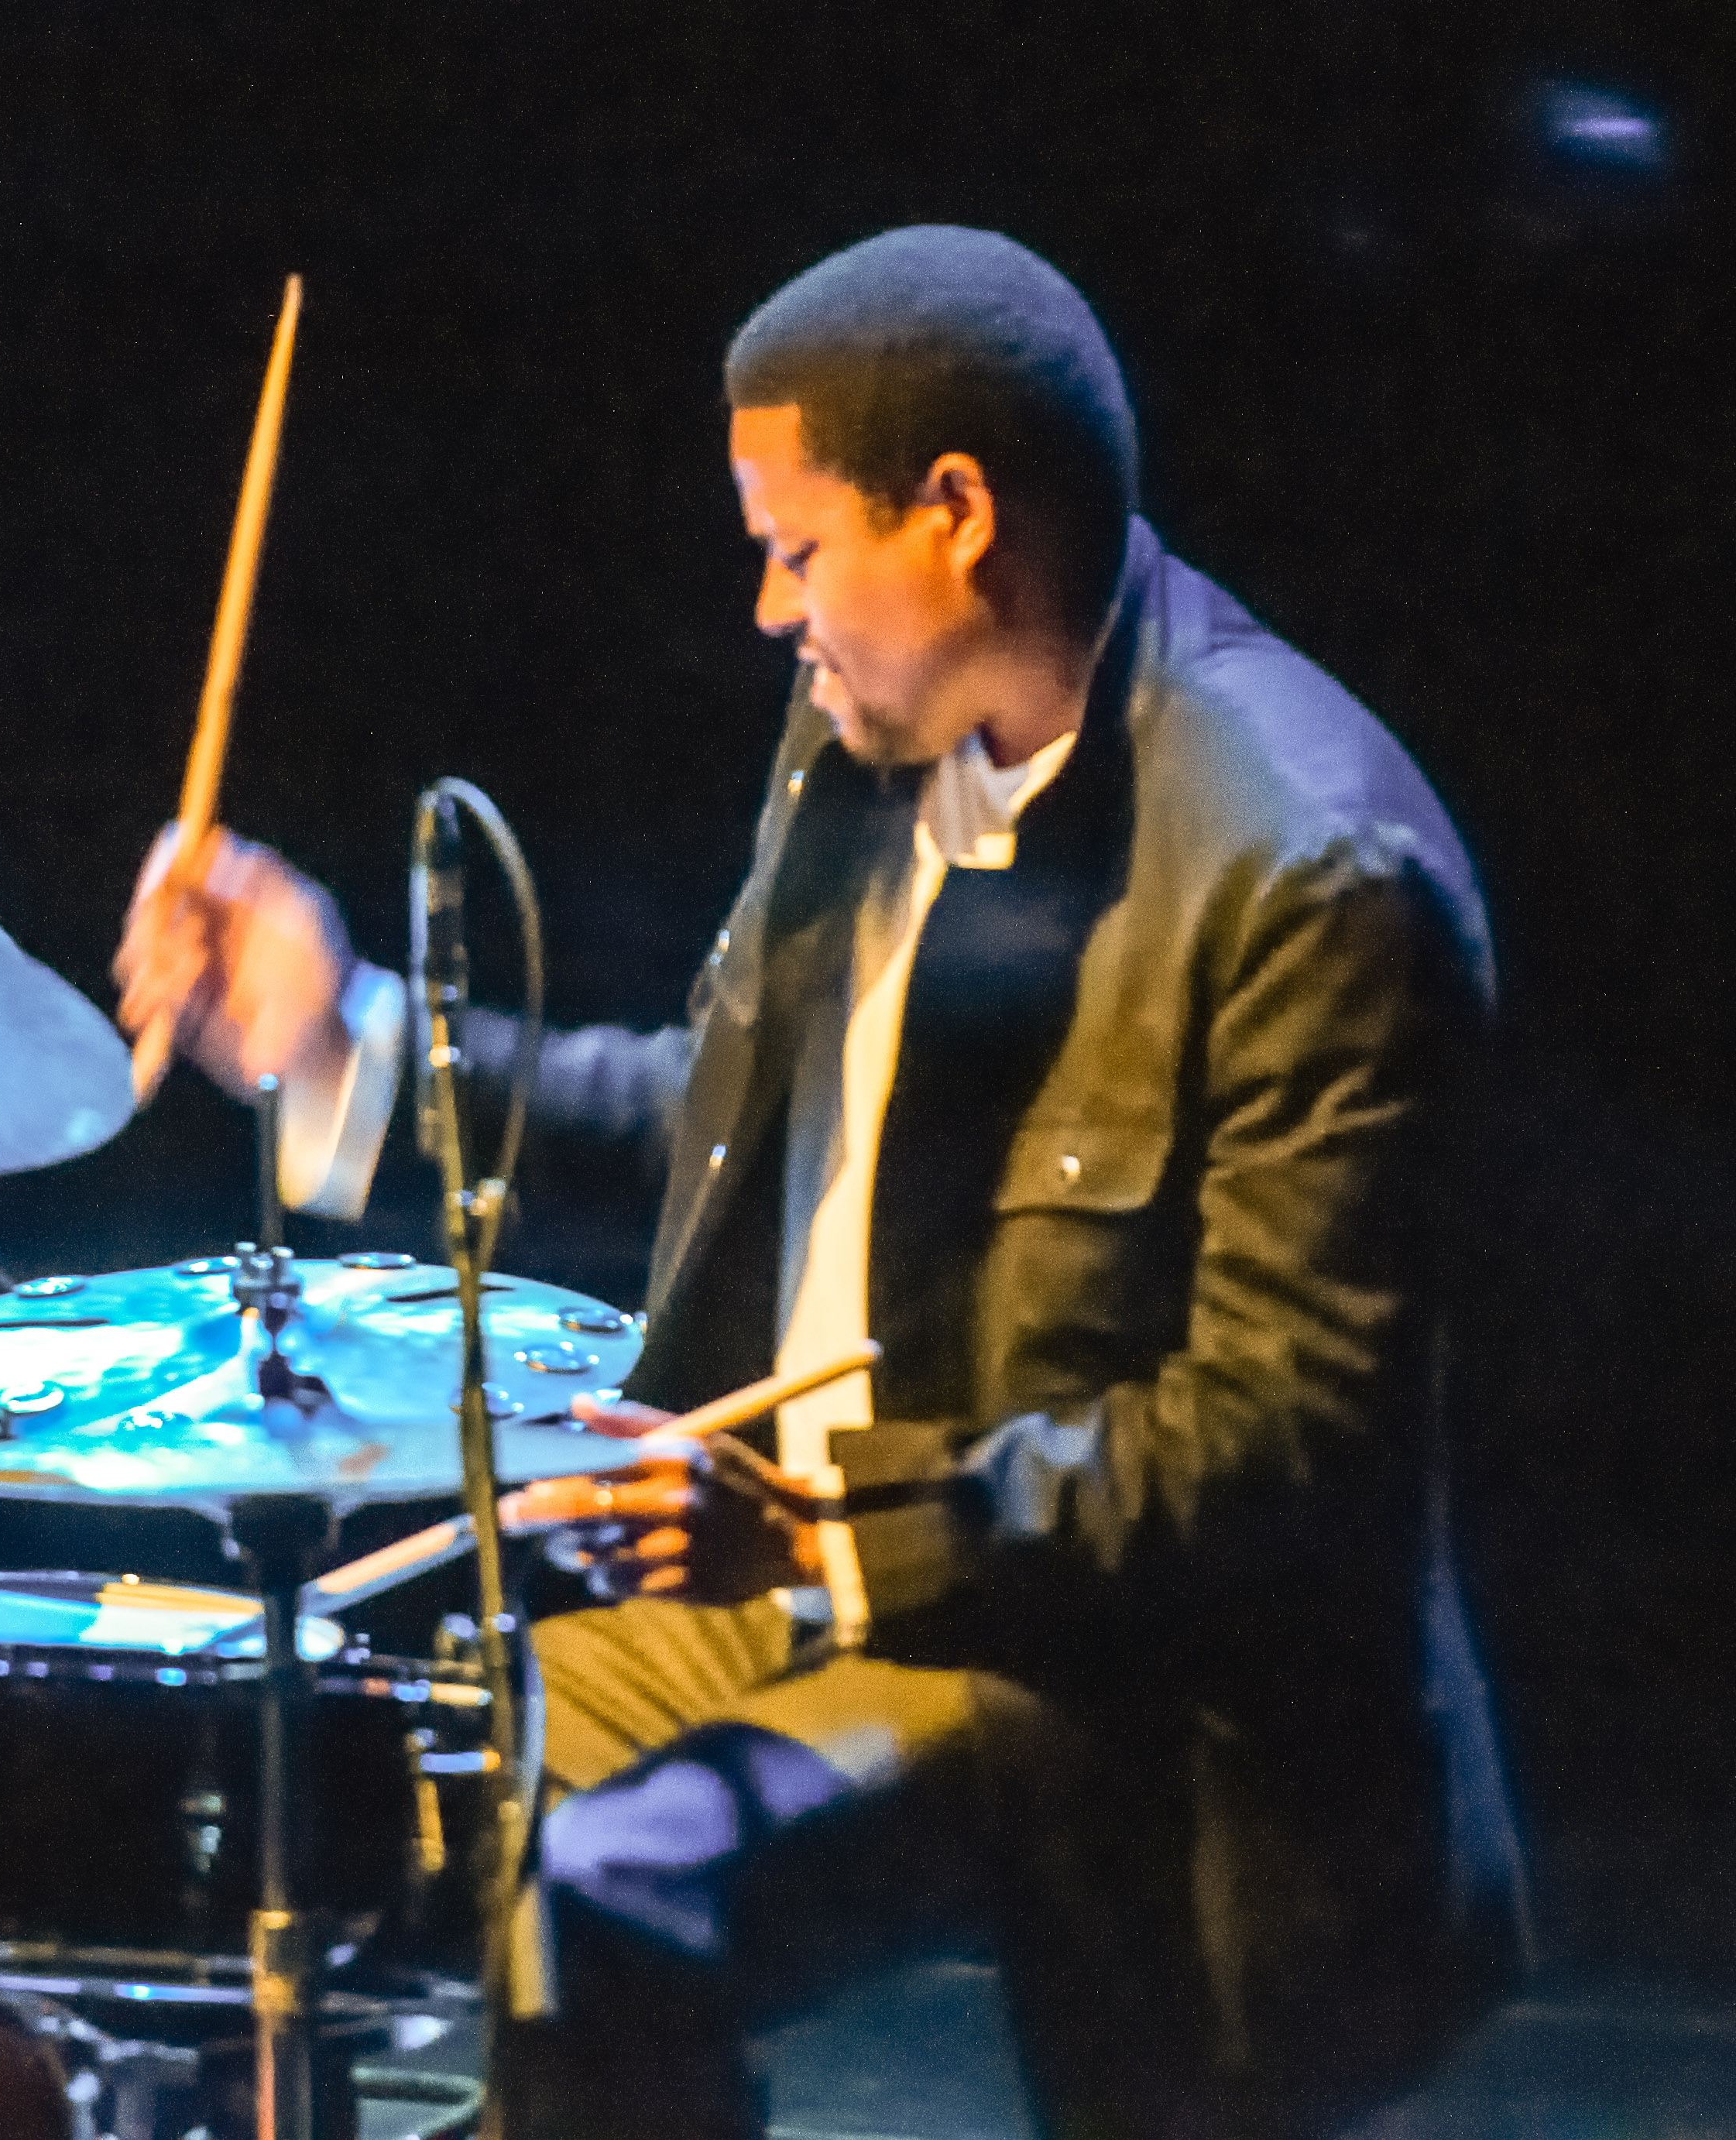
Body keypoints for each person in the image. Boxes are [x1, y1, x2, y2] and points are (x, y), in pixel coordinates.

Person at [115, 227, 1531, 2139]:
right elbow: (719, 1107)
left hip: (1119, 1668)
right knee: (421, 1777)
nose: (774, 608)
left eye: (797, 550)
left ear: (954, 514)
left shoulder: (1310, 866)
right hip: (846, 1570)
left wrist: (821, 1532)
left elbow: (1283, 1449)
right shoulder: (874, 738)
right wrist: (341, 1037)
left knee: (608, 1885)